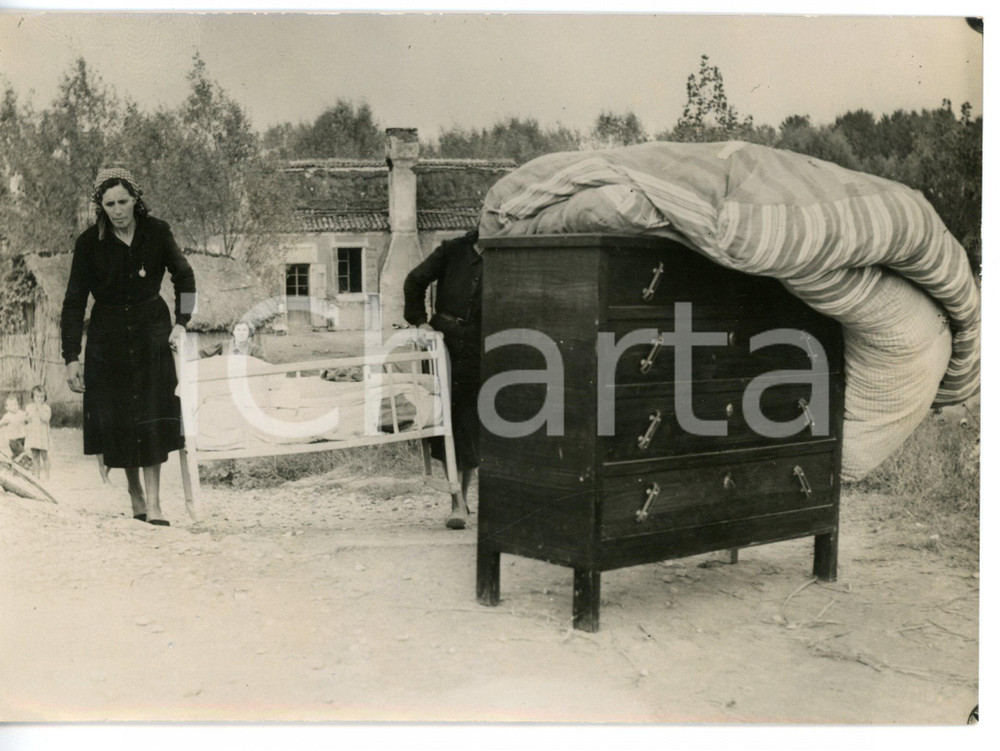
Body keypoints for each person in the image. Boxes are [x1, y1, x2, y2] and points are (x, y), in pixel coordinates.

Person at [61, 166, 196, 526]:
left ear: (136, 199)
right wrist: (71, 356)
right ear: (100, 206)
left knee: (150, 413)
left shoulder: (157, 232)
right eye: (110, 204)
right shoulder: (89, 244)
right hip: (108, 339)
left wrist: (181, 322)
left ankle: (155, 504)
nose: (118, 210)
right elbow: (73, 302)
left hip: (152, 332)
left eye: (123, 201)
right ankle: (135, 493)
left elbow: (185, 276)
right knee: (120, 418)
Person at [403, 228, 482, 530]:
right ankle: (457, 502)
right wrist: (421, 323)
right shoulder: (453, 250)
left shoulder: (505, 254)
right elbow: (414, 281)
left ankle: (461, 498)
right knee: (447, 420)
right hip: (443, 344)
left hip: (480, 347)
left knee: (471, 424)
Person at [24, 385, 51, 480]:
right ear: (33, 397)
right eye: (37, 397)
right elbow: (25, 420)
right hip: (33, 435)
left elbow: (45, 419)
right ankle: (37, 476)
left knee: (44, 455)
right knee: (35, 456)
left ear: (45, 397)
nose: (39, 399)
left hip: (42, 436)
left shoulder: (46, 408)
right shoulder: (29, 407)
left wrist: (39, 409)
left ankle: (47, 477)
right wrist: (26, 419)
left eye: (42, 397)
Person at [199, 320, 265, 359]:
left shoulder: (256, 349)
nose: (241, 333)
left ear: (249, 332)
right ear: (233, 332)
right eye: (238, 330)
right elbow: (203, 352)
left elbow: (265, 367)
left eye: (244, 330)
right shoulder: (224, 345)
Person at [0, 394, 27, 463]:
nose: (14, 407)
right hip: (13, 440)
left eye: (15, 404)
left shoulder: (20, 413)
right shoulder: (7, 416)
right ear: (6, 407)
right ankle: (19, 462)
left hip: (22, 437)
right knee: (22, 453)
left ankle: (13, 461)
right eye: (11, 405)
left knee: (17, 454)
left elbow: (27, 418)